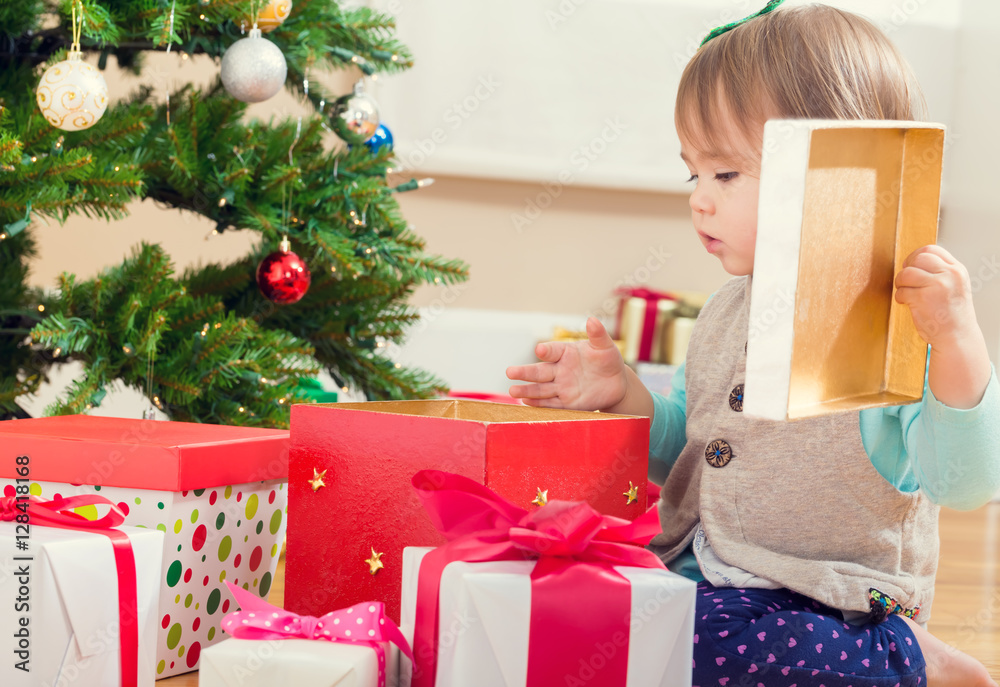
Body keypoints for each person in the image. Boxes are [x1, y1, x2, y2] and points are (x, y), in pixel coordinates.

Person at [506, 4, 1000, 687]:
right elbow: (689, 450)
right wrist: (623, 392)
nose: (699, 201)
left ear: (836, 171)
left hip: (831, 602)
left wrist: (958, 342)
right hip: (705, 575)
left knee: (709, 645)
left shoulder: (893, 324)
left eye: (726, 175)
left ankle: (914, 657)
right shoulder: (722, 311)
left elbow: (965, 481)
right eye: (694, 175)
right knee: (588, 608)